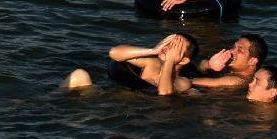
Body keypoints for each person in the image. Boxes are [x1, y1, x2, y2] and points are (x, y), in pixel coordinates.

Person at [64, 33, 199, 96]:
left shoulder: (182, 83)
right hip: (108, 100)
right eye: (168, 43)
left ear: (184, 60)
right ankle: (47, 103)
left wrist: (169, 60)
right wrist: (154, 50)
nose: (167, 48)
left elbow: (164, 93)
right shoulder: (151, 63)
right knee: (79, 75)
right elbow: (114, 53)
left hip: (139, 114)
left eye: (175, 47)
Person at [191, 33, 267, 88]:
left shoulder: (237, 81)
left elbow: (190, 82)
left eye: (240, 50)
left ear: (252, 61)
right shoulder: (227, 66)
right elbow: (199, 66)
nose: (232, 51)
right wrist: (209, 65)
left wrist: (179, 80)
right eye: (233, 47)